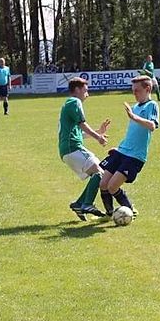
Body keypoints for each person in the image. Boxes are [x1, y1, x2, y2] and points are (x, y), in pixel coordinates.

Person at [98, 76, 160, 217]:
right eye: (133, 91)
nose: (134, 94)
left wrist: (134, 117)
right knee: (103, 184)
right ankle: (109, 214)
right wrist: (119, 149)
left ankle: (130, 211)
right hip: (122, 151)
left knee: (112, 186)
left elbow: (152, 126)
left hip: (135, 156)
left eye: (137, 90)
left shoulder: (152, 105)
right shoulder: (135, 107)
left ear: (147, 89)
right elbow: (132, 133)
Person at [59, 77, 111, 220]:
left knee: (99, 172)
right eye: (86, 90)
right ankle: (87, 204)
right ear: (77, 90)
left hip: (68, 149)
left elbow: (76, 132)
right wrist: (98, 137)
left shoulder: (68, 104)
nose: (87, 94)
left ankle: (79, 204)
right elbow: (82, 124)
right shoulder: (75, 102)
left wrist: (98, 132)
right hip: (73, 148)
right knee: (100, 172)